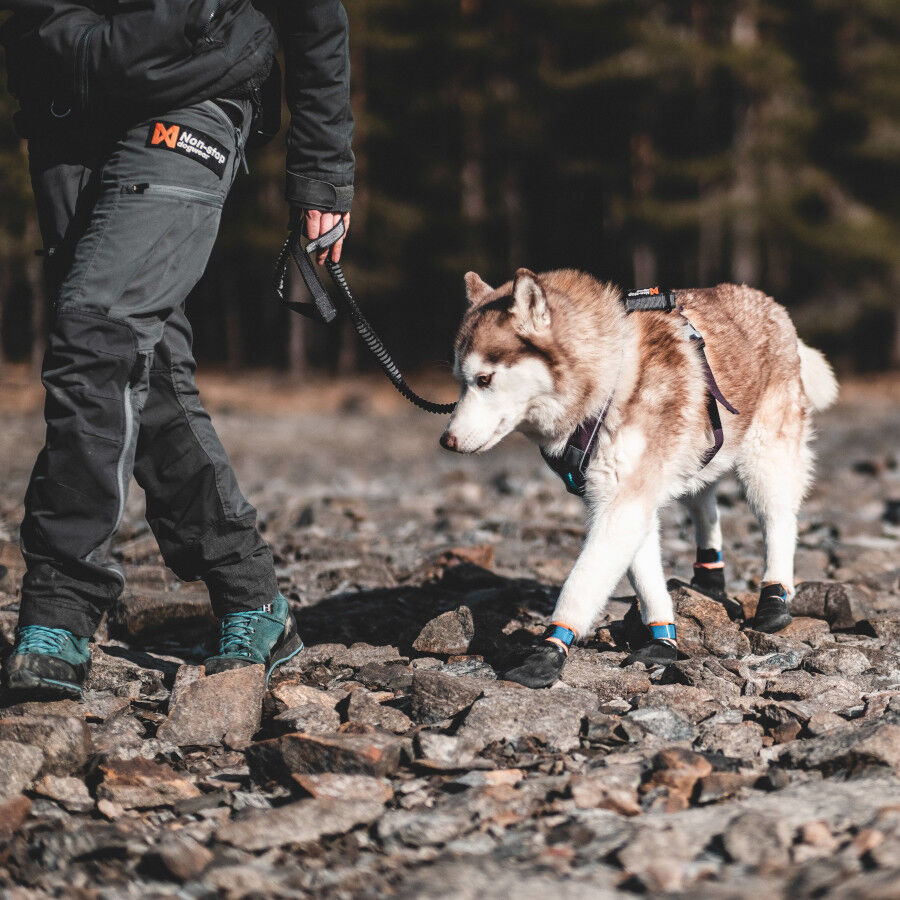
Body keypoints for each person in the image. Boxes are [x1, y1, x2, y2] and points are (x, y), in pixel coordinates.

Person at [0, 0, 353, 700]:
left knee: (98, 329)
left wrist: (322, 171)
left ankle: (62, 604)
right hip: (64, 100)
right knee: (144, 359)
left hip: (196, 89)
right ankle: (252, 596)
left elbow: (315, 17)